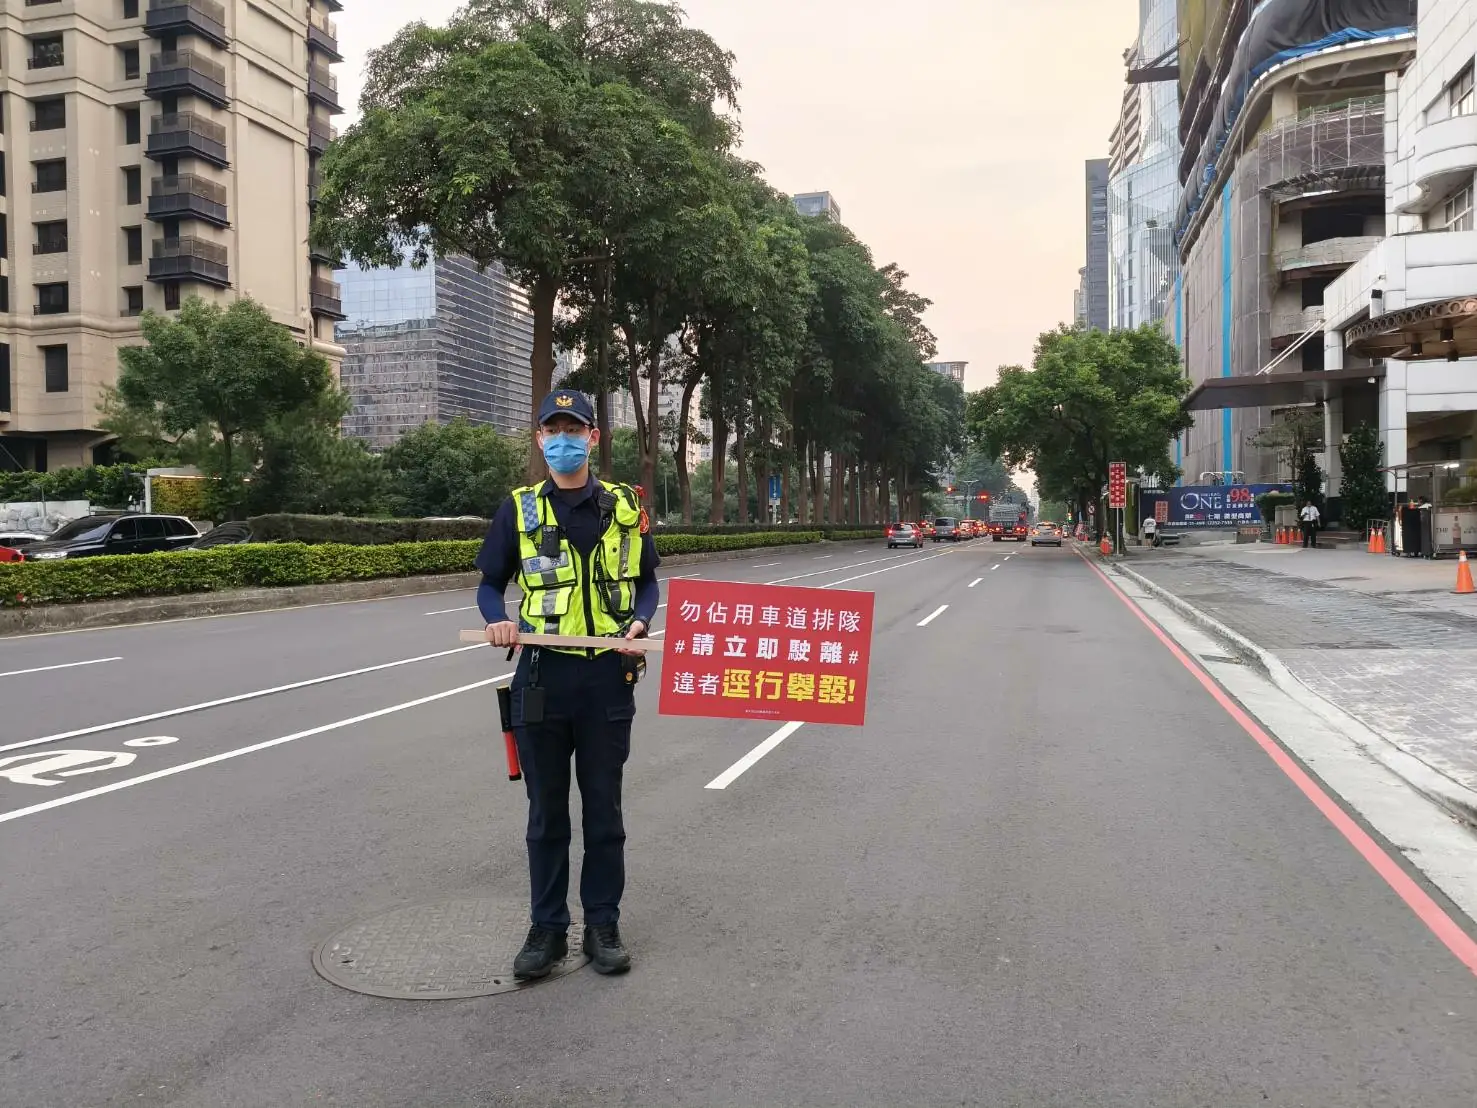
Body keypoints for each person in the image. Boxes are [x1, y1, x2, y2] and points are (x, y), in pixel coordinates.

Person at [476, 388, 661, 979]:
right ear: (539, 440)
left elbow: (649, 582)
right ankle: (547, 929)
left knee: (604, 811)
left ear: (592, 438)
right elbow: (488, 583)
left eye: (573, 430)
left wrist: (640, 621)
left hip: (608, 678)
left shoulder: (626, 508)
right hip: (541, 679)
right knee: (546, 813)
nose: (563, 440)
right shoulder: (520, 509)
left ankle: (601, 924)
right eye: (552, 430)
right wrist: (497, 621)